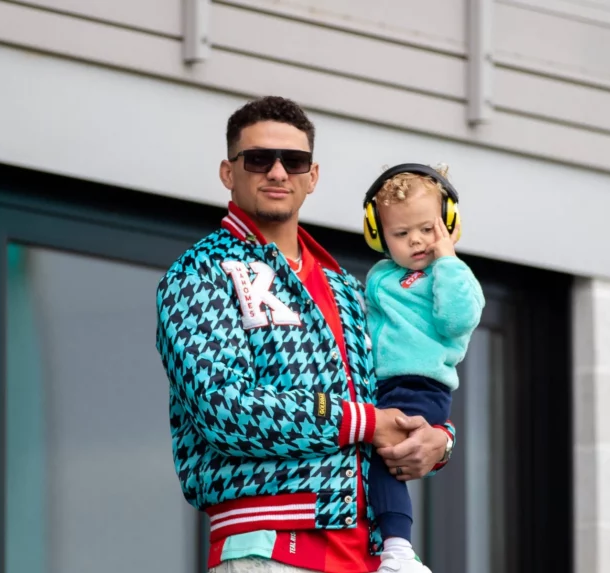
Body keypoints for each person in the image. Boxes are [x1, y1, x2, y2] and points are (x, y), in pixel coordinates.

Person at [155, 96, 456, 573]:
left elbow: (394, 390)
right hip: (268, 548)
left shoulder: (345, 288)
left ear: (311, 177)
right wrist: (364, 422)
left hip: (371, 555)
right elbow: (223, 408)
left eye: (293, 161)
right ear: (227, 172)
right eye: (258, 159)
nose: (277, 172)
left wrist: (437, 439)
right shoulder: (200, 272)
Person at [361, 164, 485, 572]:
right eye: (400, 233)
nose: (416, 240)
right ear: (377, 235)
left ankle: (398, 551)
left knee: (386, 460)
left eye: (427, 229)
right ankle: (387, 547)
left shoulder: (452, 275)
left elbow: (457, 320)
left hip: (421, 385)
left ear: (449, 225)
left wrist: (447, 261)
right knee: (370, 460)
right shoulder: (382, 276)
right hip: (381, 386)